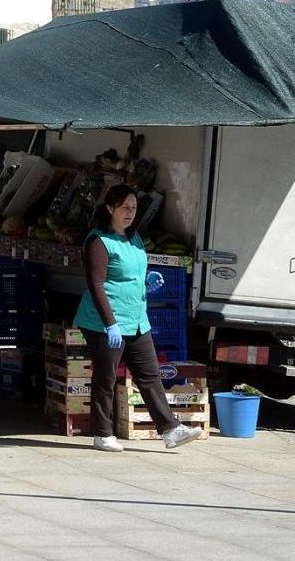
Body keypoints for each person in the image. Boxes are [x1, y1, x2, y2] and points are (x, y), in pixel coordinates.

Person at [75, 184, 202, 452]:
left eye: (133, 208)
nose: (130, 213)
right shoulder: (98, 241)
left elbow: (128, 274)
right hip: (105, 321)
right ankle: (102, 433)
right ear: (110, 208)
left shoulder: (134, 238)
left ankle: (170, 430)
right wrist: (110, 324)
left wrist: (145, 282)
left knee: (150, 375)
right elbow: (97, 284)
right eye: (124, 207)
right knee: (106, 377)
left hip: (136, 319)